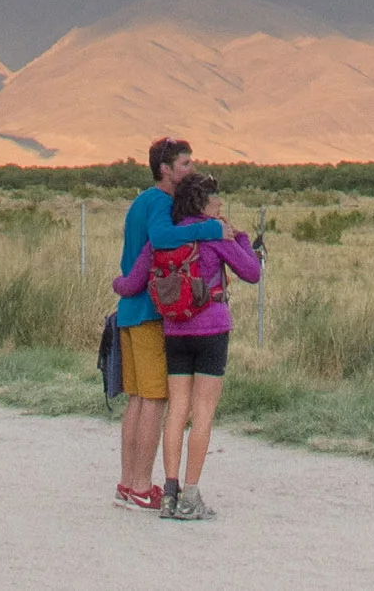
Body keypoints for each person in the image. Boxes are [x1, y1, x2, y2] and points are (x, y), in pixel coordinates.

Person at [113, 169, 260, 522]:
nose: (220, 203)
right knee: (203, 413)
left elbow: (132, 283)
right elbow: (252, 272)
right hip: (212, 330)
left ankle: (169, 493)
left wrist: (116, 284)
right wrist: (240, 237)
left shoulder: (166, 238)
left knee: (176, 412)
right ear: (203, 202)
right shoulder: (215, 234)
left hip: (175, 332)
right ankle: (191, 496)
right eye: (215, 198)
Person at [112, 137, 221, 512]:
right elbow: (160, 238)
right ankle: (142, 486)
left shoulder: (141, 201)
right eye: (185, 164)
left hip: (129, 310)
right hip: (148, 311)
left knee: (137, 399)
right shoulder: (160, 202)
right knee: (155, 399)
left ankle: (128, 483)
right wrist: (210, 230)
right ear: (165, 169)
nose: (192, 169)